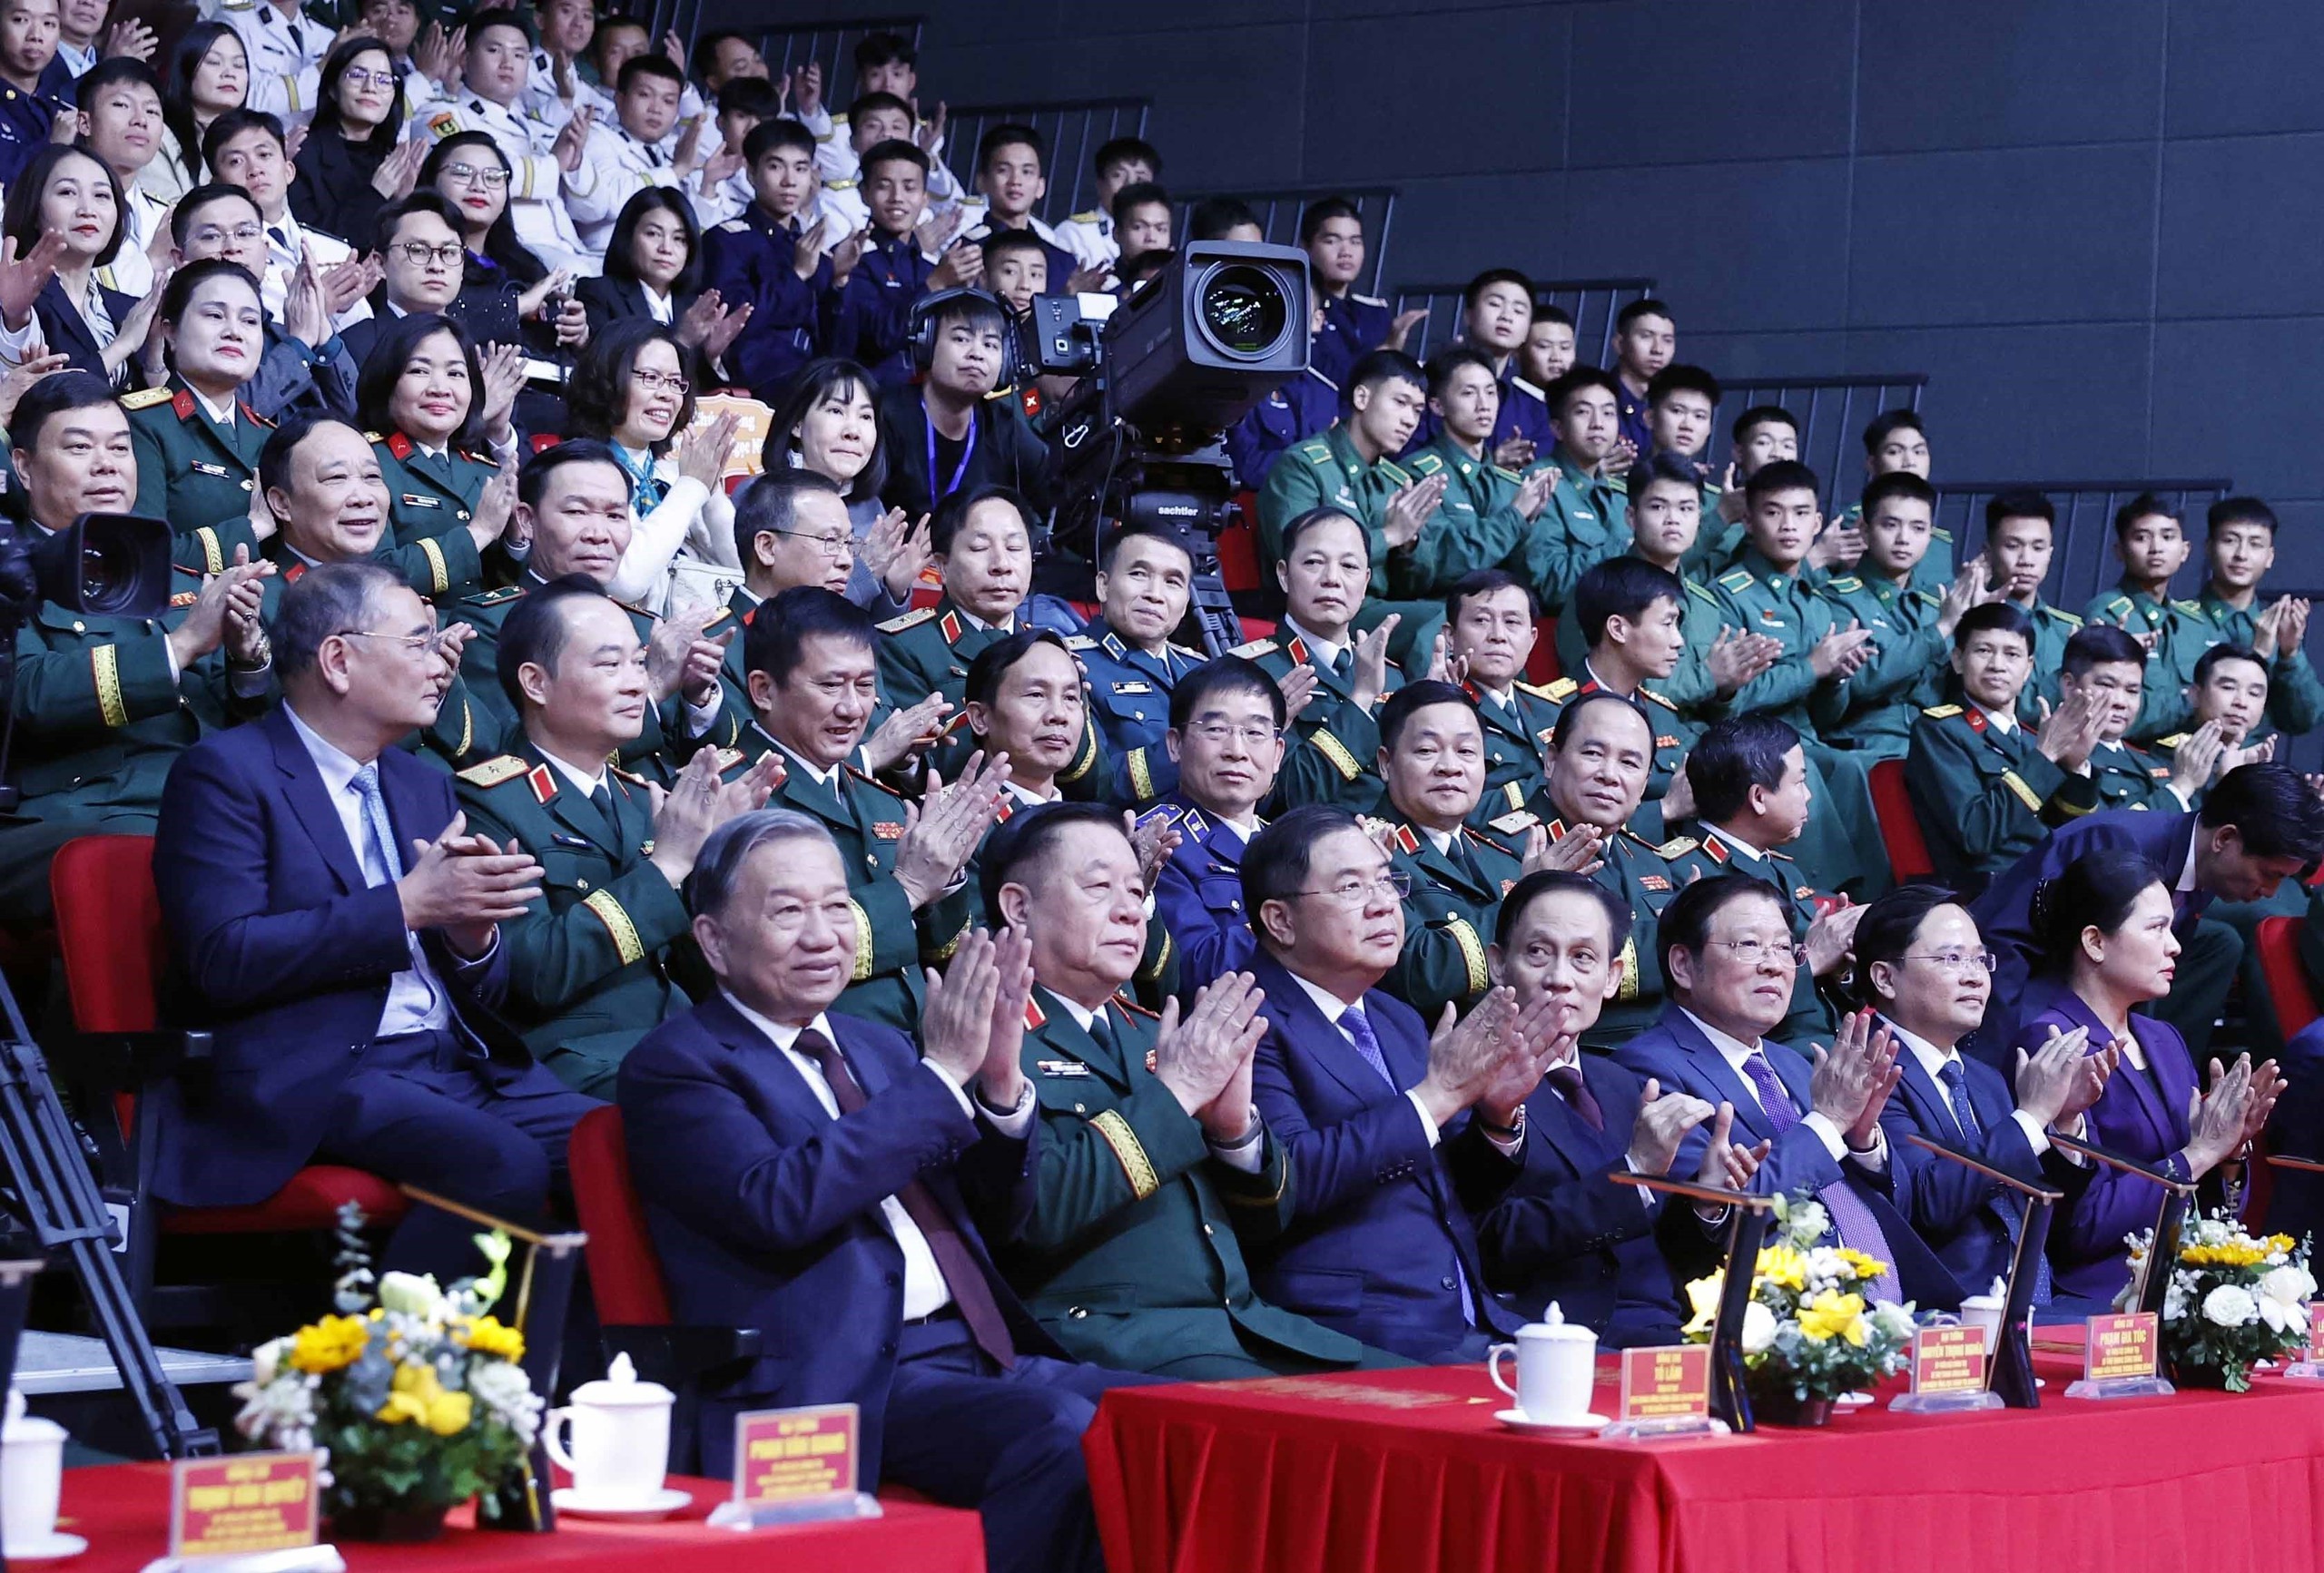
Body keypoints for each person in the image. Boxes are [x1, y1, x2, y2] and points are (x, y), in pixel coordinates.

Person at [616, 813, 1121, 1573]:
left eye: (836, 906)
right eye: (788, 911)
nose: (823, 934)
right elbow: (777, 1203)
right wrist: (942, 1076)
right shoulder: (678, 1064)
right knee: (1059, 1432)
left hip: (986, 1349)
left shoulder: (877, 1045)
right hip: (848, 1377)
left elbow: (999, 1216)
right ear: (714, 940)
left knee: (1186, 1418)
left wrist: (999, 1086)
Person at [151, 560, 601, 1280]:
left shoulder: (422, 782)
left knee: (617, 1146)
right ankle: (394, 1381)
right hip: (323, 1067)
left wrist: (471, 934)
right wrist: (406, 906)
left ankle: (590, 1374)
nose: (438, 666)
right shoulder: (226, 773)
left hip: (454, 1057)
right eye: (418, 644)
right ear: (338, 658)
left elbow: (479, 988)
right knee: (501, 1165)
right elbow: (223, 958)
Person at [982, 802, 1376, 1376]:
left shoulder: (1150, 1028)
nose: (1131, 912)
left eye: (1137, 891)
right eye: (1099, 888)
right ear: (1019, 907)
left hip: (1241, 1325)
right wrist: (1174, 1095)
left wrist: (1234, 1135)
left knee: (1452, 1407)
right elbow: (1032, 1216)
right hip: (1107, 1340)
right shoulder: (987, 1034)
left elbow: (1269, 1222)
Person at [454, 575, 778, 1095]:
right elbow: (530, 973)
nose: (636, 682)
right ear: (536, 683)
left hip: (684, 1036)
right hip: (572, 1061)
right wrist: (668, 865)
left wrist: (712, 863)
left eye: (638, 661)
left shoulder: (636, 797)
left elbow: (690, 965)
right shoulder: (488, 801)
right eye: (609, 664)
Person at [1241, 805, 1539, 1360]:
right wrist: (1438, 1096)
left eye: (1386, 880)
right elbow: (1289, 1178)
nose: (1384, 904)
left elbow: (1448, 1182)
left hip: (1468, 1315)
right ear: (1280, 920)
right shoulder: (1246, 1017)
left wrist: (1495, 1121)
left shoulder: (1395, 1017)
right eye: (1352, 887)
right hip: (1348, 1324)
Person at [1613, 874, 1963, 1307]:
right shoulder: (1648, 1068)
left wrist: (1862, 1144)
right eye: (1749, 946)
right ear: (1683, 965)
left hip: (1898, 1305)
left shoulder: (1792, 1065)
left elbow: (1901, 1207)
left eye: (1783, 948)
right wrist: (1828, 1122)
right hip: (1772, 1319)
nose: (1775, 965)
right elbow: (1717, 1216)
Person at [0, 370, 271, 921]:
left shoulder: (174, 573)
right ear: (24, 467)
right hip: (78, 809)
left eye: (120, 448)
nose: (107, 464)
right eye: (79, 447)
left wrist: (247, 659)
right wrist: (180, 647)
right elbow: (26, 694)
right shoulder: (10, 571)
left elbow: (246, 727)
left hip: (204, 798)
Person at [1474, 870, 1761, 1341]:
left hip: (1664, 1336)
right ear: (1499, 965)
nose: (1559, 979)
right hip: (1544, 1342)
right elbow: (1488, 1242)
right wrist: (1634, 1170)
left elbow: (1669, 1256)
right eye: (1538, 953)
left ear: (1612, 978)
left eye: (1583, 958)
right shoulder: (1464, 1076)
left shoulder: (1622, 1084)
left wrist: (1708, 1200)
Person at [2012, 849, 2280, 1309]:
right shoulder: (2054, 1042)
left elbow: (2212, 1209)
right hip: (2101, 1301)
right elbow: (2079, 1227)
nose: (2175, 945)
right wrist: (2198, 1154)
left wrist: (2230, 1152)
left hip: (2187, 1285)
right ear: (2095, 942)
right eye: (2156, 928)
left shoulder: (2164, 1038)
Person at [725, 586, 1001, 1032]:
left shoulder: (877, 795)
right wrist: (908, 888)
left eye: (866, 685)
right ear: (762, 690)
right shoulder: (734, 795)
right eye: (831, 684)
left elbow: (943, 952)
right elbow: (773, 956)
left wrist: (944, 878)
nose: (853, 708)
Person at [1968, 762, 2324, 1067]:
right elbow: (2005, 944)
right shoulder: (2116, 844)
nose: (2271, 893)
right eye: (2270, 874)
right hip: (2018, 1020)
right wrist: (1988, 1073)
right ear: (2225, 839)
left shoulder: (2199, 876)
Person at [1859, 885, 2107, 1303]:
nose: (1975, 975)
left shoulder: (1984, 1078)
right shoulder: (1870, 1074)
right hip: (1942, 1316)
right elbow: (1927, 1201)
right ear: (1885, 977)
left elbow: (2051, 1210)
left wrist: (2062, 1122)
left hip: (2031, 1302)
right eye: (1951, 958)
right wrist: (2031, 1117)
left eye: (1979, 959)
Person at [451, 439, 739, 775]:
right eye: (576, 512)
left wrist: (696, 699)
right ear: (527, 521)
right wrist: (655, 688)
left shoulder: (645, 627)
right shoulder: (490, 624)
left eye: (615, 515)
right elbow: (512, 756)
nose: (599, 534)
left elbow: (705, 757)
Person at [1525, 690, 1720, 1046]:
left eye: (1629, 763)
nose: (1609, 775)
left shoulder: (1650, 857)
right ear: (1551, 760)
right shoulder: (1515, 849)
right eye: (1593, 754)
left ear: (1645, 783)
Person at [1370, 682, 1573, 1024]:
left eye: (1466, 751)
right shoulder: (1369, 852)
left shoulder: (1500, 853)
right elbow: (1419, 971)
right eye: (1426, 751)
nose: (1450, 767)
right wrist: (1524, 901)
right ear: (1386, 763)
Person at [1254, 349, 1446, 660]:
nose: (1409, 420)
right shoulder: (1304, 465)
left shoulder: (1395, 480)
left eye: (1418, 410)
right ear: (1361, 398)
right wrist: (1390, 536)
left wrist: (1410, 541)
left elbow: (1418, 583)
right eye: (1400, 403)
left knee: (1474, 619)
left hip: (1371, 608)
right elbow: (1294, 555)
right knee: (1438, 620)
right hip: (1317, 606)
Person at [1905, 602, 2107, 895]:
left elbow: (2068, 833)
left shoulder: (2030, 738)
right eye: (1983, 651)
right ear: (1958, 660)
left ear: (2028, 669)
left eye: (2012, 654)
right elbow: (1975, 834)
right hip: (1987, 894)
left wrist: (2074, 766)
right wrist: (2045, 757)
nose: (1997, 665)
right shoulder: (1939, 731)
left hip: (2049, 885)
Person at [1681, 715, 1862, 1041]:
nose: (1807, 796)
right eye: (1799, 782)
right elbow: (1711, 1000)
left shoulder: (1782, 868)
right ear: (1759, 798)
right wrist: (1813, 961)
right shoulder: (1689, 874)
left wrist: (1844, 956)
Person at [1232, 506, 1404, 814]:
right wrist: (1362, 698)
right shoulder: (1248, 673)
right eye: (1314, 563)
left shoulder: (1391, 676)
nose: (1332, 579)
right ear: (1284, 575)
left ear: (1365, 582)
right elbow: (1290, 796)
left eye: (1349, 566)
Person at [117, 260, 284, 575]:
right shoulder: (138, 422)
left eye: (250, 321)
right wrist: (252, 529)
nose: (234, 331)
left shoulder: (271, 437)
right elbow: (144, 549)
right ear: (171, 332)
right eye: (215, 315)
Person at [562, 319, 738, 615]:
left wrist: (713, 491)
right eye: (651, 378)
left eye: (675, 382)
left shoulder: (672, 474)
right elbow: (626, 581)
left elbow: (740, 573)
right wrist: (693, 486)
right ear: (608, 378)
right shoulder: (576, 471)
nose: (667, 395)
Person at [1815, 473, 1998, 757]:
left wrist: (1979, 626)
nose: (1904, 539)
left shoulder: (1934, 605)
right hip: (1868, 743)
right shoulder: (1835, 599)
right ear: (1864, 530)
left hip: (1937, 742)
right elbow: (1861, 681)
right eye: (1890, 525)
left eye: (1918, 528)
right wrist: (1942, 627)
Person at [408, 9, 589, 278]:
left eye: (519, 55)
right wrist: (554, 163)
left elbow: (586, 208)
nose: (508, 63)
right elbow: (483, 177)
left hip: (567, 245)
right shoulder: (443, 115)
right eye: (494, 50)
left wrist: (573, 163)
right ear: (466, 59)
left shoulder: (533, 126)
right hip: (507, 247)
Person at [1144, 657, 1287, 986]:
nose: (1236, 750)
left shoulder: (1290, 846)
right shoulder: (1159, 844)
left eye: (1254, 732)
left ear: (1277, 753)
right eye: (1216, 730)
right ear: (1175, 744)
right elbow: (1196, 970)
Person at [165, 180, 358, 422]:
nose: (232, 246)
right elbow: (225, 413)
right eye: (212, 236)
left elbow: (352, 413)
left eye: (245, 233)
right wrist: (298, 345)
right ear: (180, 258)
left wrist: (319, 324)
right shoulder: (174, 328)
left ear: (266, 251)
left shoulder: (282, 333)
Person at [763, 356, 930, 612]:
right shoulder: (762, 498)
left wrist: (895, 589)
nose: (853, 431)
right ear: (797, 424)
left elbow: (877, 631)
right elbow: (789, 621)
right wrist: (865, 574)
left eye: (865, 417)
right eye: (836, 411)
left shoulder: (871, 509)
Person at [358, 310, 517, 572]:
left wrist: (516, 539)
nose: (440, 388)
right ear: (386, 381)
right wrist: (479, 532)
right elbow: (375, 573)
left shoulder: (484, 470)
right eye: (419, 371)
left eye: (455, 374)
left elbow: (507, 583)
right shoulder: (366, 462)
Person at [876, 288, 1052, 522]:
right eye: (961, 339)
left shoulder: (1005, 429)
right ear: (925, 345)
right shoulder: (885, 416)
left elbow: (1056, 504)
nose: (977, 354)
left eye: (990, 345)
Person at [418, 130, 588, 369]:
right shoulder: (420, 255)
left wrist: (576, 336)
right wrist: (521, 304)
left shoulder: (524, 265)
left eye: (494, 176)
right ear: (431, 182)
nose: (479, 186)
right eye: (462, 173)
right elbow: (432, 320)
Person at [1400, 349, 1553, 598]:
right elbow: (1445, 566)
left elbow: (1535, 577)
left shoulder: (1510, 483)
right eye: (1468, 393)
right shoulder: (1420, 474)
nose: (1484, 405)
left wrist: (1530, 523)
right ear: (1437, 405)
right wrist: (1515, 518)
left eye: (1491, 392)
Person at [700, 115, 827, 403]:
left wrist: (842, 281)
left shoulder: (811, 246)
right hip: (759, 376)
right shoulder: (727, 239)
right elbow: (737, 323)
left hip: (816, 371)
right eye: (775, 166)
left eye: (800, 168)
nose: (789, 180)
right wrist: (796, 275)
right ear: (751, 173)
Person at [0, 144, 150, 384]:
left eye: (101, 195)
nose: (87, 210)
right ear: (34, 207)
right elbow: (47, 395)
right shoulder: (16, 304)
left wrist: (156, 361)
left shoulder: (129, 309)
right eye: (67, 192)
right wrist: (123, 345)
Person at [1077, 524, 1204, 805]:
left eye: (1172, 582)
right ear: (1103, 585)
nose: (1154, 594)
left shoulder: (1201, 671)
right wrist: (1192, 752)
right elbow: (1091, 783)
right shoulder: (1071, 664)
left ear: (1185, 604)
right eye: (1139, 574)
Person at [575, 187, 751, 387]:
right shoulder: (598, 293)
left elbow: (701, 395)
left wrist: (711, 357)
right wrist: (682, 340)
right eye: (653, 234)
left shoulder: (693, 307)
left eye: (679, 239)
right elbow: (606, 375)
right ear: (628, 237)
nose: (666, 248)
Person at [2083, 493, 2218, 745]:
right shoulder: (2109, 613)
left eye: (2168, 537)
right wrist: (2191, 702)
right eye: (2142, 537)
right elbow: (2111, 713)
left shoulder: (2195, 624)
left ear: (2185, 550)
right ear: (2120, 551)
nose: (2156, 548)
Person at [1437, 569, 1561, 824]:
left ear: (1532, 639)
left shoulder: (1551, 710)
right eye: (1482, 620)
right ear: (1450, 636)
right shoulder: (1435, 709)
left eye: (1512, 622)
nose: (1498, 635)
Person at [2196, 496, 2323, 738]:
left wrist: (2290, 654)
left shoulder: (2276, 627)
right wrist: (2258, 657)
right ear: (2209, 548)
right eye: (2230, 541)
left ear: (2270, 557)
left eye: (2255, 544)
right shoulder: (2178, 622)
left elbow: (2304, 718)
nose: (2241, 554)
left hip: (2252, 767)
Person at [826, 138, 947, 388]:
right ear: (864, 193)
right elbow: (883, 337)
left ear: (925, 198)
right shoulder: (851, 259)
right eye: (884, 186)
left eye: (909, 188)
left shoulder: (930, 268)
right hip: (868, 396)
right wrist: (935, 286)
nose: (897, 198)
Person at [560, 52, 691, 258]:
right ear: (619, 99)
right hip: (607, 260)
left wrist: (708, 182)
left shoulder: (667, 153)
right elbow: (608, 203)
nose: (656, 109)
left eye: (668, 101)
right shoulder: (597, 137)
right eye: (644, 95)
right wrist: (677, 170)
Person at [288, 36, 410, 254]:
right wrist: (375, 195)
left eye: (383, 79)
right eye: (357, 75)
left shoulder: (394, 160)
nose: (370, 87)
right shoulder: (304, 153)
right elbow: (310, 241)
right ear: (333, 89)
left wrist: (405, 201)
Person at [1521, 368, 1631, 613]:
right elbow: (1551, 584)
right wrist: (1627, 549)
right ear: (1557, 428)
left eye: (1608, 412)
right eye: (1583, 412)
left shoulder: (1621, 493)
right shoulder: (1540, 483)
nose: (1598, 424)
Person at [2054, 624, 2187, 812]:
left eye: (2132, 691)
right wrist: (2182, 787)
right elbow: (2107, 833)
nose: (2121, 702)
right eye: (2107, 685)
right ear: (2069, 686)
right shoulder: (2050, 754)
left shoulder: (2150, 763)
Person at [1983, 489, 2083, 722]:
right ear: (1988, 552)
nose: (2027, 560)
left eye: (2037, 548)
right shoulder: (1968, 620)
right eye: (2013, 546)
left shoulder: (2066, 630)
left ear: (2050, 554)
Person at [77, 57, 171, 300]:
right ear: (85, 123)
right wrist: (153, 260)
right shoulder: (63, 205)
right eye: (121, 105)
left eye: (151, 111)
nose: (140, 120)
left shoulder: (166, 214)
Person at [1300, 196, 1417, 388]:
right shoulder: (1298, 309)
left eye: (1355, 242)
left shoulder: (1374, 313)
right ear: (1306, 248)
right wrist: (1386, 351)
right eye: (1331, 241)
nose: (1346, 251)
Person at [955, 123, 1078, 288]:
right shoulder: (967, 254)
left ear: (1040, 186)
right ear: (981, 181)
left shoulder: (1062, 261)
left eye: (1026, 172)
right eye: (1003, 170)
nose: (1015, 181)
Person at [149, 22, 247, 204]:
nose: (229, 73)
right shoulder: (159, 136)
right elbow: (168, 215)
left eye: (239, 65)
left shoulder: (255, 140)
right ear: (186, 69)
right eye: (214, 62)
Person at [1054, 134, 1160, 271]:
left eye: (1140, 178)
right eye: (1118, 175)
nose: (1130, 184)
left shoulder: (1157, 235)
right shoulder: (1074, 232)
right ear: (1100, 184)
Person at [0, 0, 71, 192]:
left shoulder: (63, 110)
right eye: (21, 20)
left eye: (49, 24)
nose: (36, 36)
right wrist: (51, 148)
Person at [1609, 297, 1673, 460]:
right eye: (1646, 336)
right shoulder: (1599, 396)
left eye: (1667, 340)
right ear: (1619, 343)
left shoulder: (1672, 404)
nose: (1658, 349)